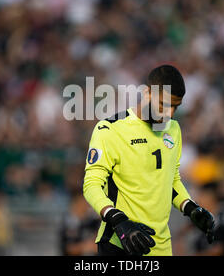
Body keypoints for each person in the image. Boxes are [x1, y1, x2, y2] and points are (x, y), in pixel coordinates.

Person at [83, 64, 215, 256]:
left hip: (160, 247)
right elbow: (91, 185)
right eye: (163, 104)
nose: (169, 114)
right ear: (146, 93)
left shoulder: (173, 129)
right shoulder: (110, 130)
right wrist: (118, 221)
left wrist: (190, 207)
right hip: (120, 243)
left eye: (175, 107)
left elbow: (170, 178)